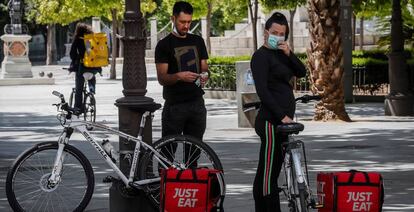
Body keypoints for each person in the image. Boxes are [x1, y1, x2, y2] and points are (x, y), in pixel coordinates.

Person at [250, 12, 307, 212]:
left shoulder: (282, 54)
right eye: (274, 32)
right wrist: (282, 117)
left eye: (282, 34)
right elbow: (263, 92)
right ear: (266, 32)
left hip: (283, 124)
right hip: (270, 122)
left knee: (272, 172)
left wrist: (289, 54)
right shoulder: (260, 57)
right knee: (268, 175)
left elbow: (302, 72)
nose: (278, 36)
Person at [155, 1, 209, 166]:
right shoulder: (164, 45)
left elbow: (205, 68)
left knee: (194, 153)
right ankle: (163, 187)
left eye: (189, 22)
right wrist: (179, 76)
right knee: (167, 153)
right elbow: (162, 78)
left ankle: (190, 186)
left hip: (197, 103)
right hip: (175, 106)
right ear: (173, 18)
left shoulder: (198, 41)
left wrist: (205, 76)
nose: (186, 25)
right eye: (182, 22)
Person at [70, 23, 96, 113]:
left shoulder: (78, 39)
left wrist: (76, 59)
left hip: (82, 68)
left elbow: (72, 53)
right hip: (93, 67)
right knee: (92, 78)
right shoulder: (91, 38)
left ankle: (78, 108)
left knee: (79, 89)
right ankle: (92, 92)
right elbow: (91, 52)